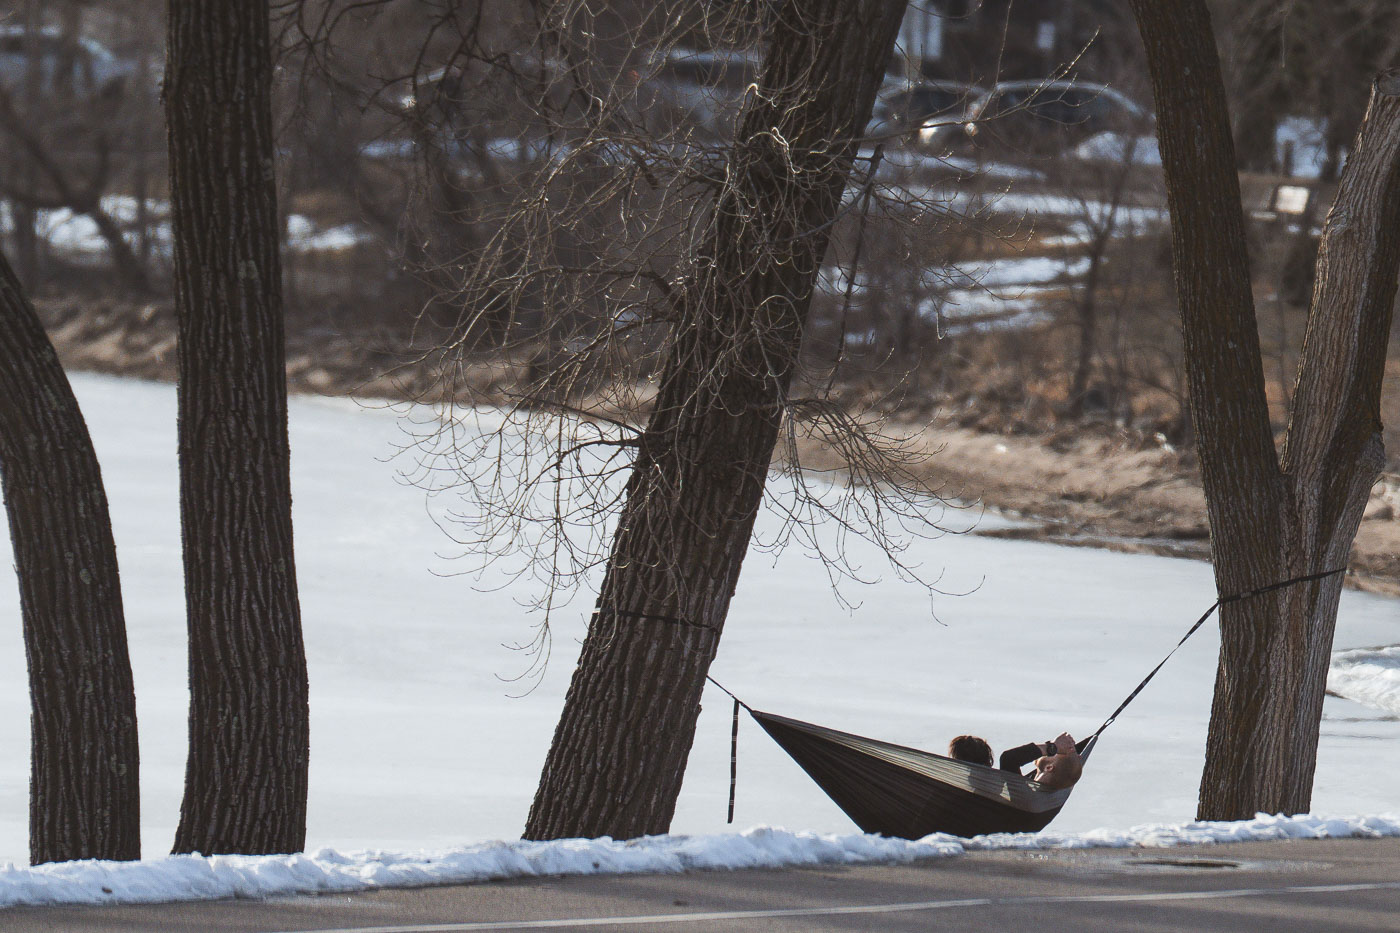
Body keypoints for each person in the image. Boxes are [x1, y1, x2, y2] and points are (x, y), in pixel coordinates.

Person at [999, 731, 1083, 790]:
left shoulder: (1023, 794)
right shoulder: (1049, 798)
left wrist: (1051, 747)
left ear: (1049, 767)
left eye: (1055, 752)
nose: (1047, 754)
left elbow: (1008, 759)